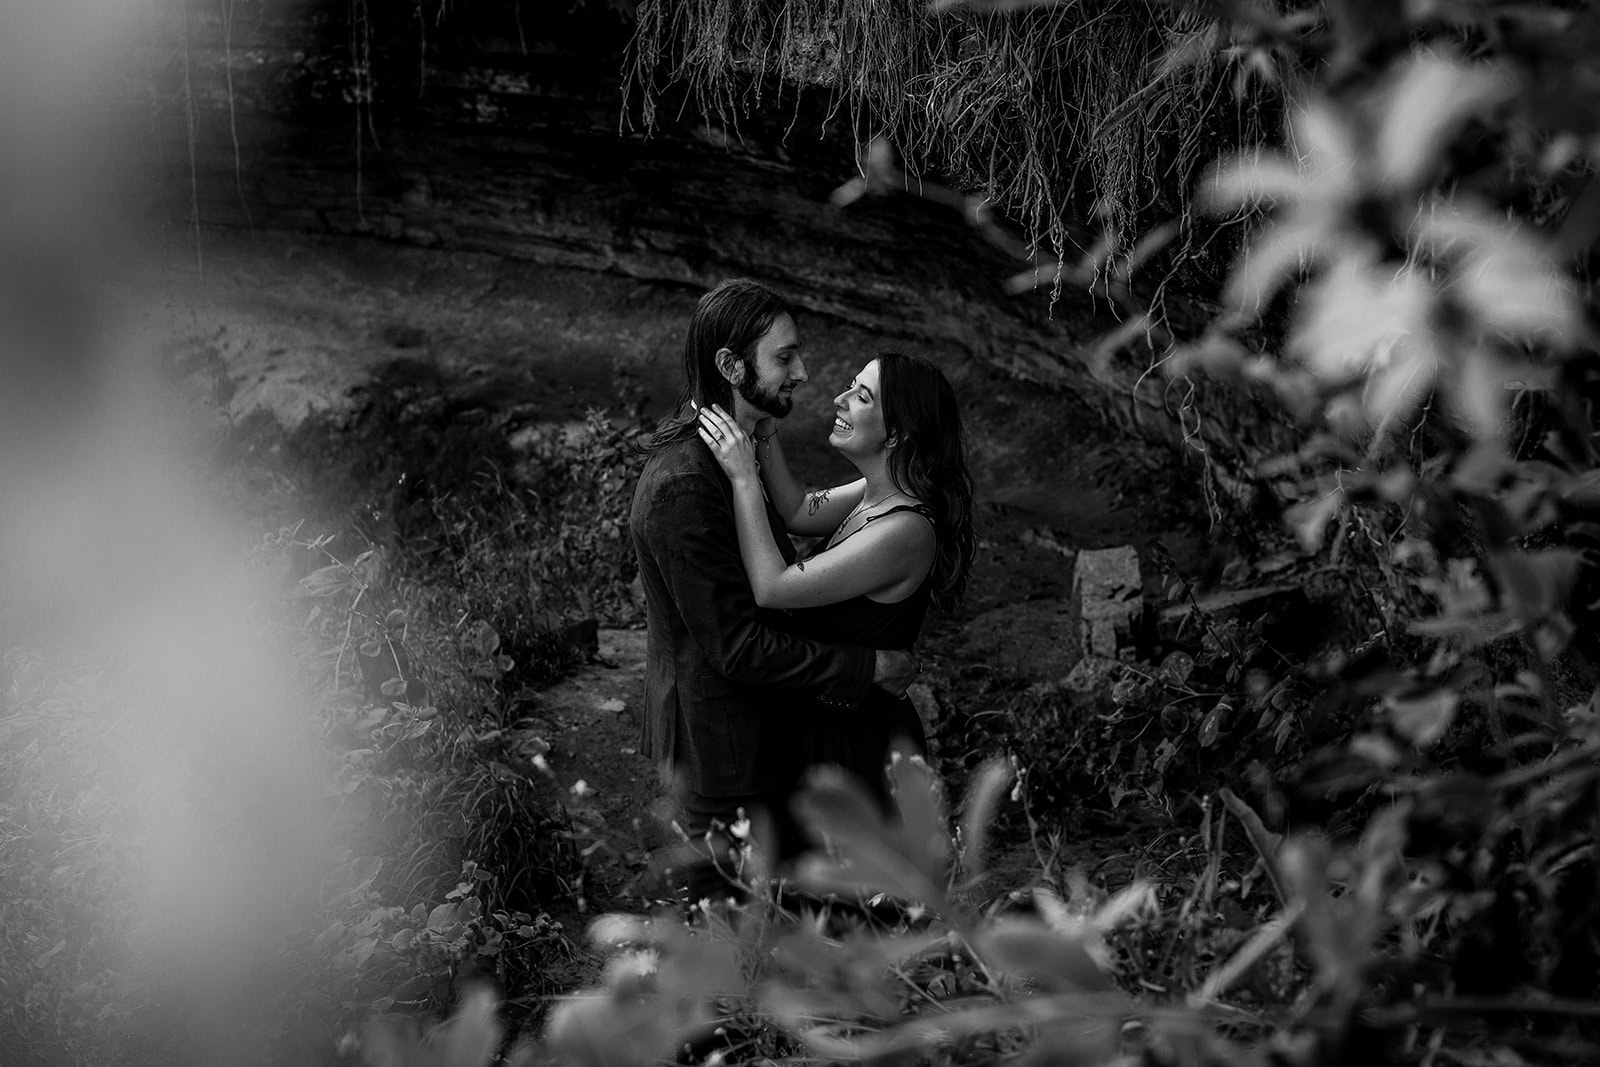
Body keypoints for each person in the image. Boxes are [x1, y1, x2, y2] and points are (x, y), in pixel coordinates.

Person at [628, 279, 919, 898]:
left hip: (759, 742)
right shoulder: (688, 483)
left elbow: (792, 511)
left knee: (782, 929)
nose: (804, 372)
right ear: (731, 366)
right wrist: (866, 666)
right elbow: (737, 646)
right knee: (728, 938)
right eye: (784, 358)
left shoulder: (734, 452)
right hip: (721, 756)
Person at [694, 349, 976, 824]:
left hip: (860, 744)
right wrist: (765, 430)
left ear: (898, 434)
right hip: (831, 725)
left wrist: (744, 479)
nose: (840, 399)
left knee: (854, 894)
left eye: (861, 396)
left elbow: (773, 587)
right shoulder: (876, 493)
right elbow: (799, 509)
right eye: (850, 385)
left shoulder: (904, 529)